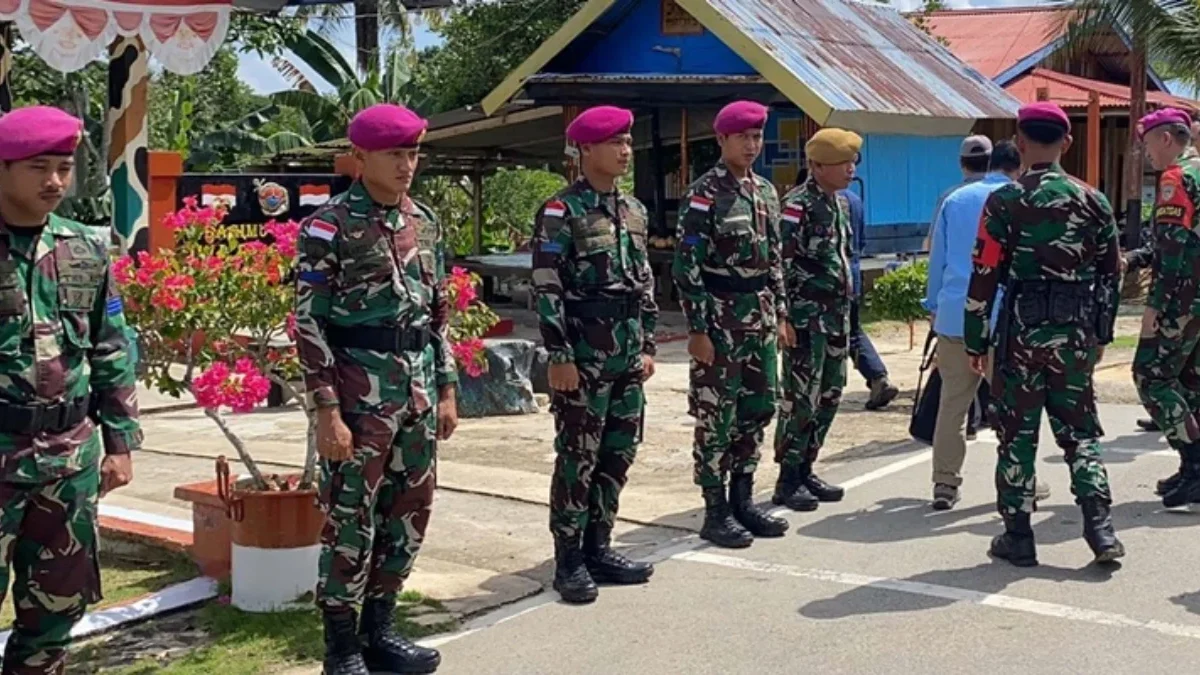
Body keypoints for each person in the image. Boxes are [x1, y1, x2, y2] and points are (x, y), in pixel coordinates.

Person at [295, 103, 454, 675]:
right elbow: (308, 321)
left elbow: (439, 314)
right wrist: (326, 409)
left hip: (416, 391)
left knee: (409, 510)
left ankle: (380, 628)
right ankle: (340, 646)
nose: (407, 164)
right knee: (350, 518)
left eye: (413, 153)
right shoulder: (328, 225)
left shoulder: (425, 221)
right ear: (360, 158)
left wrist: (447, 388)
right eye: (395, 154)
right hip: (359, 396)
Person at [0, 105, 138, 673]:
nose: (55, 181)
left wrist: (121, 440)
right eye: (38, 167)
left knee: (56, 610)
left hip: (69, 458)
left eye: (63, 167)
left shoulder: (85, 247)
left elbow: (111, 344)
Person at [964, 102, 1124, 567]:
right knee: (1080, 434)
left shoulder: (1005, 200)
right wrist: (1100, 334)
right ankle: (1101, 530)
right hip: (1074, 333)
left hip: (1021, 336)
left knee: (1016, 435)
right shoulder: (1093, 200)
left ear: (1020, 138)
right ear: (1066, 143)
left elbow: (984, 274)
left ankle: (1018, 535)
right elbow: (1112, 275)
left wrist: (976, 340)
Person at [530, 105, 658, 603]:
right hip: (583, 357)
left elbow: (644, 283)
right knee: (577, 458)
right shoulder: (562, 211)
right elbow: (546, 287)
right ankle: (569, 560)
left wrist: (647, 345)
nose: (625, 151)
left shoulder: (635, 211)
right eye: (614, 143)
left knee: (618, 454)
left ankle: (600, 546)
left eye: (627, 142)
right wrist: (559, 355)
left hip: (627, 357)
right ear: (585, 150)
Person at [673, 100, 790, 548]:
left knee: (757, 410)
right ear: (721, 139)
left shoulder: (765, 192)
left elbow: (774, 259)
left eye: (757, 136)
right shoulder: (705, 194)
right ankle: (715, 509)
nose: (751, 144)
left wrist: (779, 315)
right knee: (715, 416)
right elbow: (688, 267)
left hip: (758, 319)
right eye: (742, 136)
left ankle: (744, 499)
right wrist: (698, 329)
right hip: (720, 320)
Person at [924, 141, 1054, 510]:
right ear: (1018, 167)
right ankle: (1020, 480)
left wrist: (934, 307)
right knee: (1015, 405)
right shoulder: (1022, 199)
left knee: (953, 403)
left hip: (955, 315)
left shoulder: (955, 200)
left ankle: (944, 484)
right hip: (1007, 320)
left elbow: (939, 260)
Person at [772, 128, 860, 512]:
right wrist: (783, 316)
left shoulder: (839, 203)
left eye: (852, 162)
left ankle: (807, 465)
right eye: (844, 163)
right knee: (800, 398)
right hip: (806, 317)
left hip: (836, 315)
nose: (850, 169)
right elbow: (780, 262)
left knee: (831, 392)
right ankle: (787, 476)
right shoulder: (798, 205)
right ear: (818, 166)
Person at [1131, 108, 1200, 506]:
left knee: (1151, 376)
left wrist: (1155, 306)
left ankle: (1195, 462)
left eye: (1148, 144)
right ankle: (1190, 471)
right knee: (1189, 381)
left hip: (1183, 299)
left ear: (1167, 139)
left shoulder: (1177, 177)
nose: (1146, 154)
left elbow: (1172, 248)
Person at [841, 187, 900, 410]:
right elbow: (862, 240)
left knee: (839, 333)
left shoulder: (821, 198)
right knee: (853, 331)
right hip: (852, 274)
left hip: (826, 282)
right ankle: (878, 377)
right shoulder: (855, 200)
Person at [921, 135, 993, 252]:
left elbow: (933, 245)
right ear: (992, 161)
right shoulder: (1006, 193)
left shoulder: (949, 198)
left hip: (957, 270)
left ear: (961, 163)